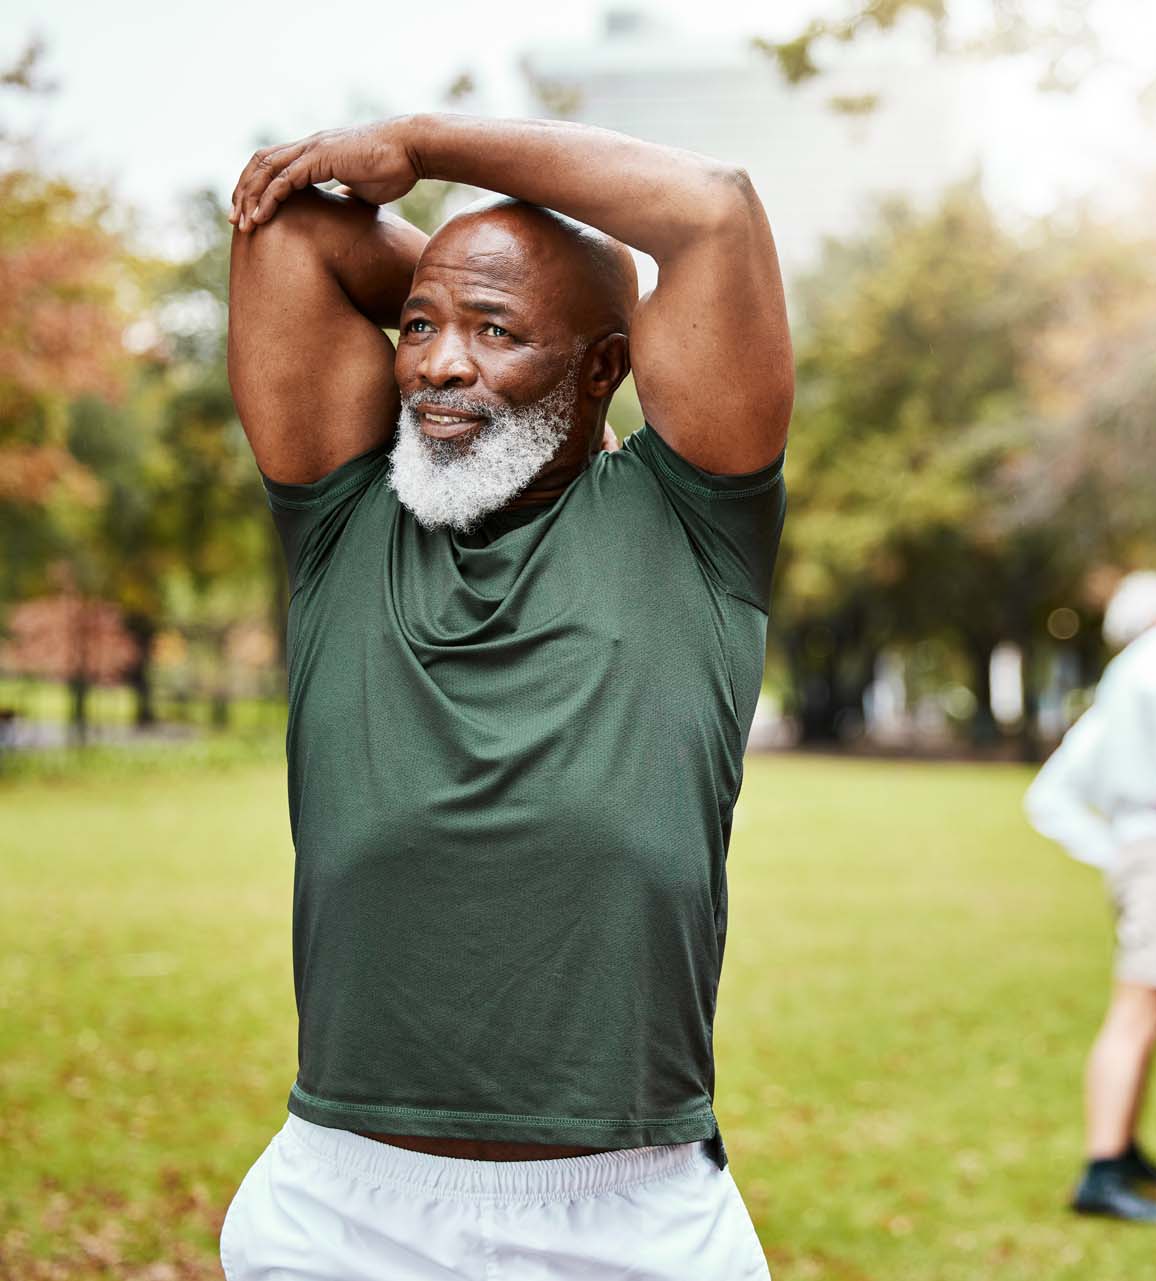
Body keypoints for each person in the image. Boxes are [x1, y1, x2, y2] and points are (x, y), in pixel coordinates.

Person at [219, 115, 791, 1279]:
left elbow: (713, 210)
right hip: (344, 1216)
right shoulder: (342, 521)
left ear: (602, 369)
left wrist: (428, 147)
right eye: (419, 326)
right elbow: (289, 233)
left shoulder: (694, 528)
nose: (436, 363)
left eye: (494, 333)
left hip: (628, 1220)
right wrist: (475, 268)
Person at [1024, 572, 1156, 1224]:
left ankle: (1124, 1150)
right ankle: (1101, 1171)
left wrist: (1115, 849)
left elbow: (1051, 792)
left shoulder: (1123, 678)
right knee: (1138, 1008)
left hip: (1147, 855)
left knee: (1151, 1005)